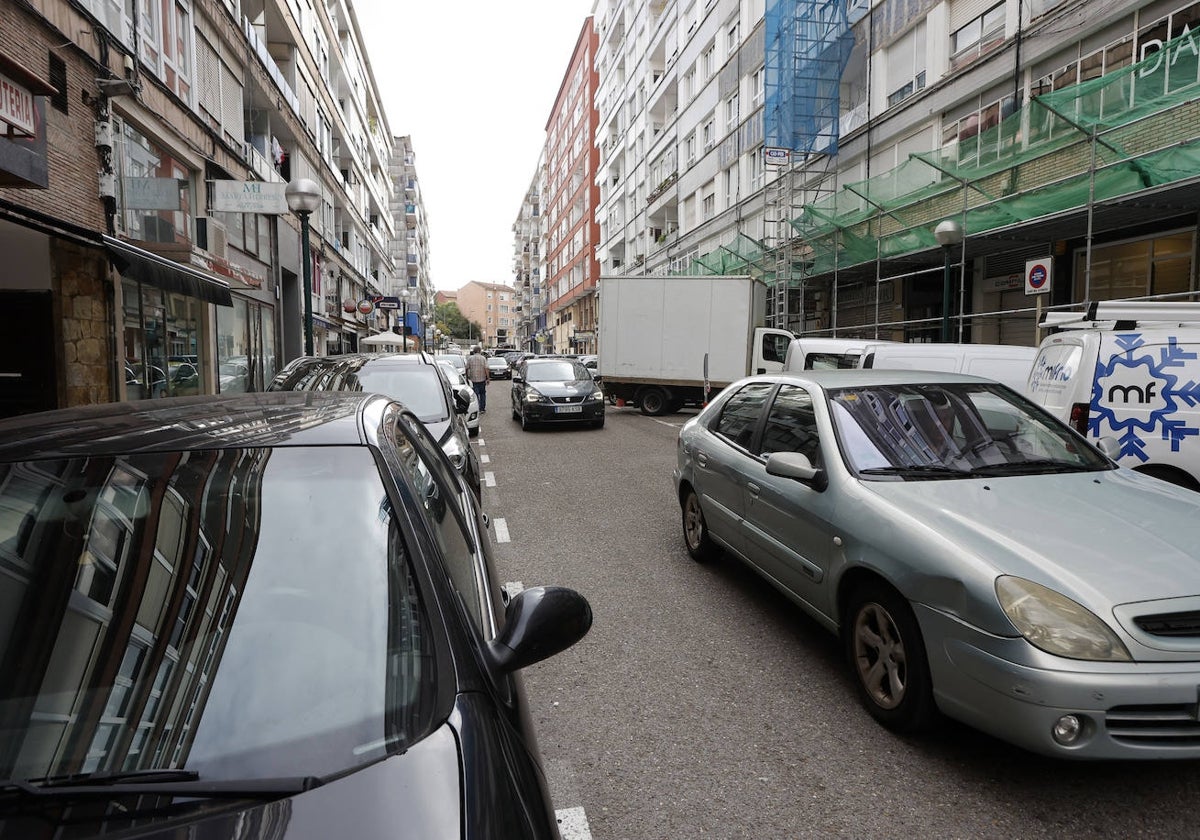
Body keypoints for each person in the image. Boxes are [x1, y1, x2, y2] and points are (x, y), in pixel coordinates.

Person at [465, 346, 489, 412]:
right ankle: (482, 408)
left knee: (475, 394)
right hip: (482, 379)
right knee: (482, 394)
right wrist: (488, 378)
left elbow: (466, 368)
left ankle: (477, 407)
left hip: (473, 380)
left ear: (474, 351)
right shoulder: (483, 358)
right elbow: (486, 368)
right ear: (479, 351)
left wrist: (467, 377)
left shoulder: (470, 359)